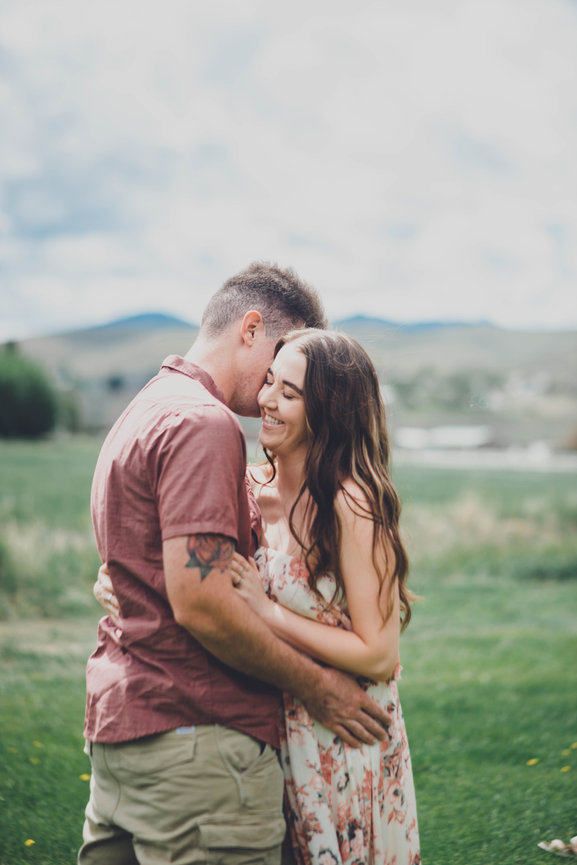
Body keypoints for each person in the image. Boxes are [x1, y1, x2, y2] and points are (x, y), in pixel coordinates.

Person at [80, 262, 392, 865]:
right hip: (197, 746)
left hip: (123, 736)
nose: (275, 387)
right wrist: (319, 688)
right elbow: (203, 601)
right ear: (250, 328)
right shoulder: (204, 422)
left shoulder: (148, 405)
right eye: (278, 358)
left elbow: (152, 561)